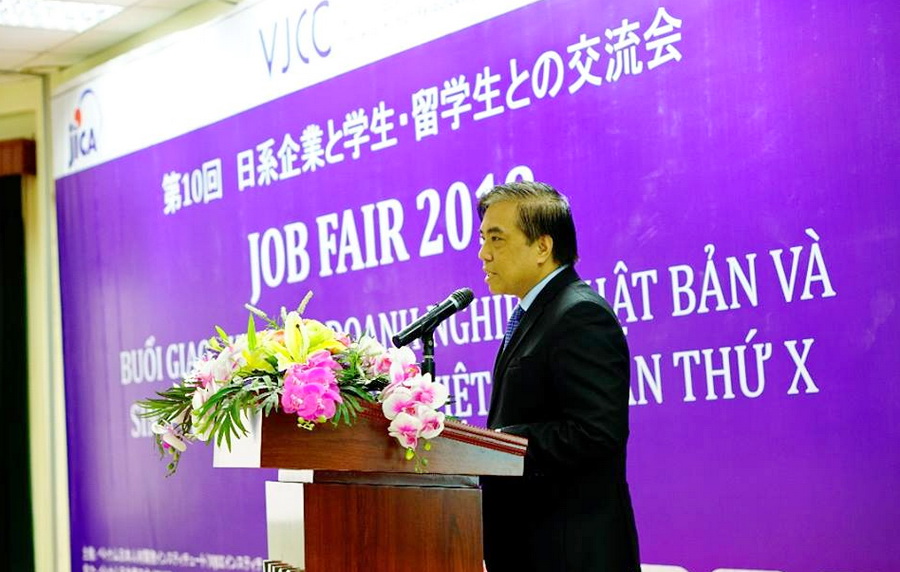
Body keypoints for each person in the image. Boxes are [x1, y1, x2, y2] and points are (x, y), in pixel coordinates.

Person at [477, 181, 640, 571]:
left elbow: (596, 432)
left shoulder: (579, 314)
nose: (484, 253)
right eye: (483, 239)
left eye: (496, 239)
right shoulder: (537, 314)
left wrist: (501, 443)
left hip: (570, 553)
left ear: (542, 247)